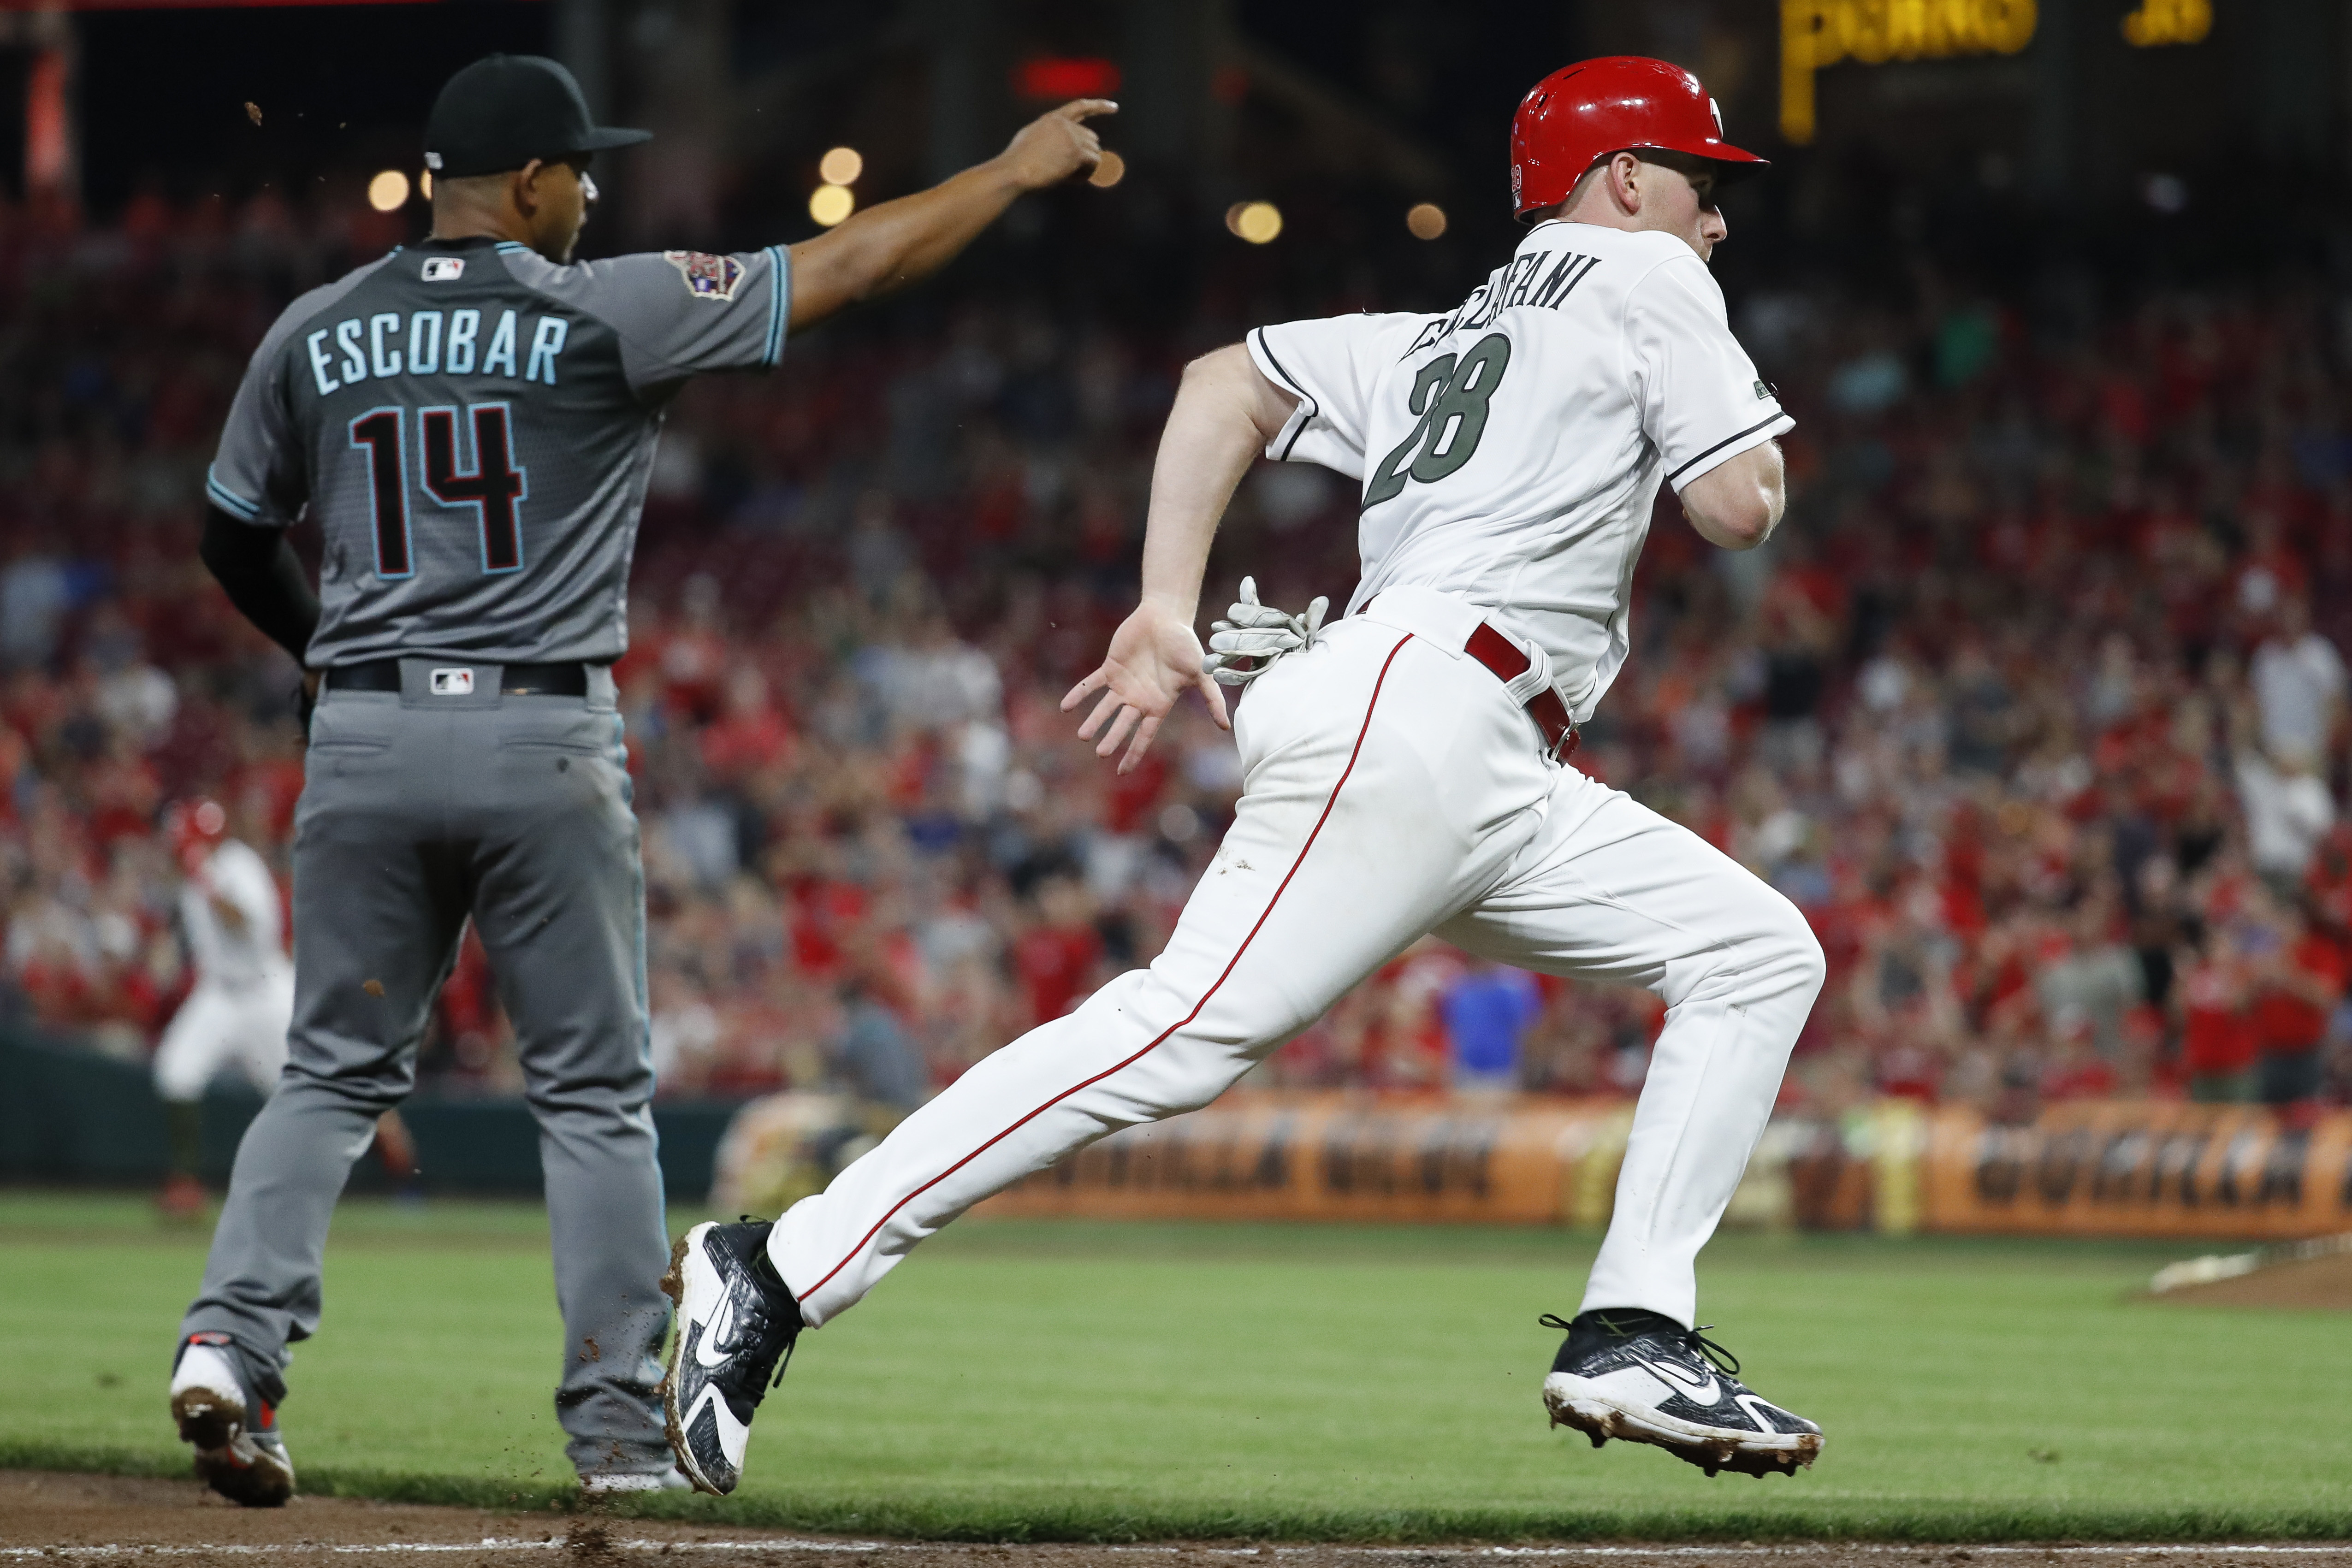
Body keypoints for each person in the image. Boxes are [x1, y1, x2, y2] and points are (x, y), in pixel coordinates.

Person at [664, 56, 1827, 1495]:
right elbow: (1733, 507)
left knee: (1753, 949)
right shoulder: (1646, 278)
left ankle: (1635, 1324)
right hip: (1425, 709)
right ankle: (776, 1263)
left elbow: (1227, 381)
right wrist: (1748, 430)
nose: (1715, 220)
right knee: (1176, 1032)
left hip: (1482, 749)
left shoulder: (1442, 330)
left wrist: (1167, 596)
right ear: (1625, 178)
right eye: (1698, 184)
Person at [168, 51, 1113, 1507]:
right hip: (540, 735)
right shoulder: (597, 304)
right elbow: (850, 262)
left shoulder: (315, 328)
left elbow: (232, 532)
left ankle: (232, 1340)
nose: (595, 192)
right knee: (596, 1093)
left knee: (329, 1071)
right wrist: (1002, 173)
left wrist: (318, 650)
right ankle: (615, 1431)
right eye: (582, 171)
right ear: (531, 182)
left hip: (363, 734)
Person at [150, 799, 294, 1219]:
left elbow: (251, 928)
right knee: (176, 1071)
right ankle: (185, 1184)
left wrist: (207, 883)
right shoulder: (192, 875)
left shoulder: (239, 864)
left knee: (296, 1091)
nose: (184, 846)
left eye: (191, 838)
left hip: (265, 992)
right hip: (219, 994)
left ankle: (385, 1171)